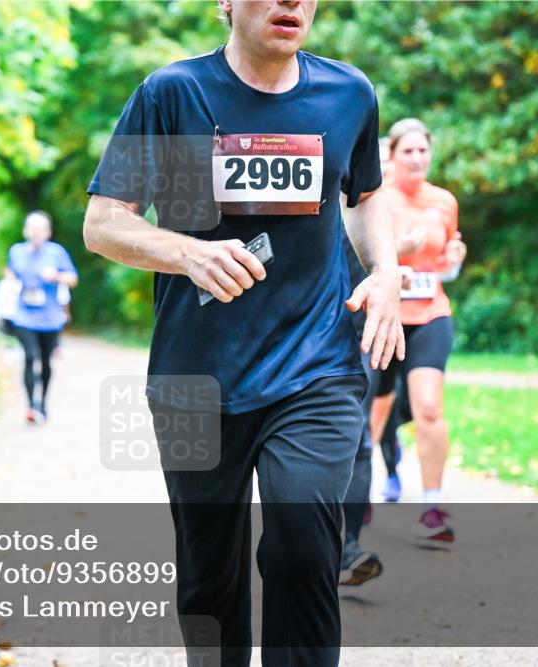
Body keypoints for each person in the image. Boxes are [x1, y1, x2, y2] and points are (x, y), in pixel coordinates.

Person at [83, 1, 404, 664]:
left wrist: (389, 272)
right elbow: (104, 222)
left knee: (304, 542)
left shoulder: (349, 93)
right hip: (194, 376)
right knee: (209, 580)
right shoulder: (173, 93)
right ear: (224, 3)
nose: (291, 1)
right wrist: (184, 251)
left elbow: (367, 194)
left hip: (316, 362)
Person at [371, 118, 465, 545]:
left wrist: (454, 259)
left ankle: (431, 508)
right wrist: (398, 257)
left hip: (431, 314)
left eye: (423, 150)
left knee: (428, 407)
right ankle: (355, 498)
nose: (417, 158)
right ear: (391, 155)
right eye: (407, 151)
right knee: (372, 411)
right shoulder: (376, 199)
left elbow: (443, 265)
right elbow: (360, 255)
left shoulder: (444, 201)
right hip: (385, 315)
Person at [340, 136, 395, 586]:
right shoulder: (323, 194)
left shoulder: (378, 207)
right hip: (309, 324)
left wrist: (392, 269)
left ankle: (347, 548)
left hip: (365, 325)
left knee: (357, 436)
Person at [5, 211, 78, 424]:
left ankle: (43, 403)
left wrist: (55, 276)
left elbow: (73, 279)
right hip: (23, 315)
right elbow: (10, 274)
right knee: (29, 357)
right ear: (25, 230)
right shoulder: (16, 251)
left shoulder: (57, 252)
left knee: (45, 362)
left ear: (47, 232)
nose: (36, 232)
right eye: (32, 228)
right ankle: (30, 405)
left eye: (40, 228)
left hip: (50, 318)